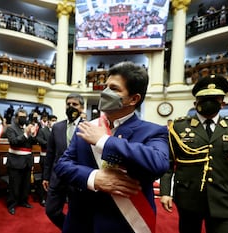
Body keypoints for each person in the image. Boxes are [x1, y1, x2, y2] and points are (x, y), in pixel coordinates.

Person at [55, 62, 170, 233]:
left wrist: (104, 141)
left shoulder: (154, 131)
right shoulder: (87, 127)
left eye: (114, 88)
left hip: (123, 224)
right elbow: (62, 166)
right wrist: (93, 178)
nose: (105, 92)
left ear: (134, 99)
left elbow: (159, 163)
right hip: (81, 221)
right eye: (105, 86)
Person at [160, 74, 228, 233]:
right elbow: (168, 164)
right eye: (204, 98)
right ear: (195, 102)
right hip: (189, 199)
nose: (209, 102)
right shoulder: (179, 127)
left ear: (223, 103)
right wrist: (165, 192)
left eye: (214, 98)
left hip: (225, 199)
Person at [42, 93, 85, 229]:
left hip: (78, 177)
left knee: (77, 213)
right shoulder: (57, 127)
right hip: (58, 176)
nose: (71, 107)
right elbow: (50, 154)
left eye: (75, 104)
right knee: (51, 211)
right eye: (69, 104)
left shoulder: (88, 127)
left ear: (82, 108)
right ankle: (68, 229)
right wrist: (46, 176)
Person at [5, 108, 38, 215]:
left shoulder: (27, 127)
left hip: (27, 160)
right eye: (21, 117)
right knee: (14, 184)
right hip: (15, 160)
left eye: (25, 117)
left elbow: (33, 142)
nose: (23, 119)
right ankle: (12, 204)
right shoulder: (10, 128)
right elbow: (14, 142)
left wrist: (33, 134)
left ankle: (23, 201)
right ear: (16, 118)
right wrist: (26, 134)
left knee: (26, 184)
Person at [36, 114, 57, 206]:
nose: (54, 122)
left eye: (55, 120)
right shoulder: (42, 130)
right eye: (52, 120)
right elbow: (39, 140)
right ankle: (43, 198)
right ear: (48, 121)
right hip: (45, 157)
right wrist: (51, 145)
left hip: (55, 158)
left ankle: (52, 197)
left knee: (54, 178)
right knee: (45, 177)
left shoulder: (57, 131)